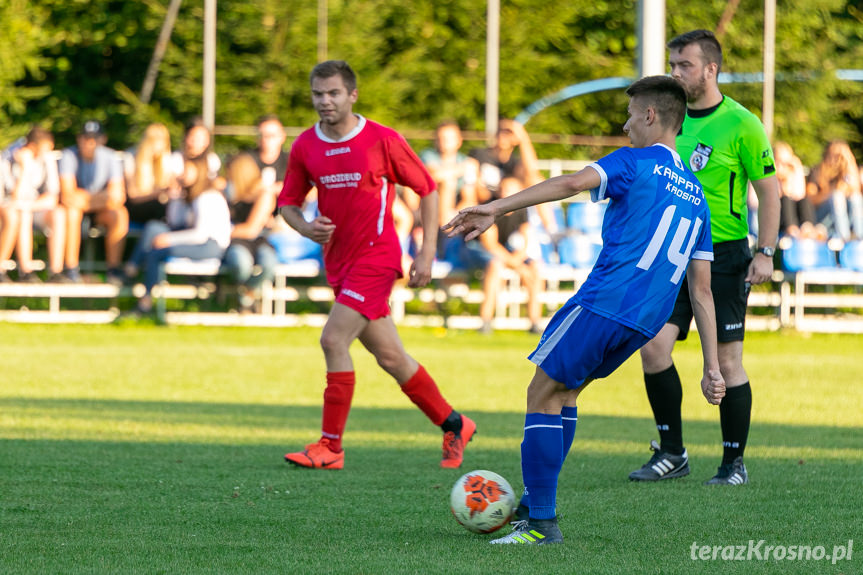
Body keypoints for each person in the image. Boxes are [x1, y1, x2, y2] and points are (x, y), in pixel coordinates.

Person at [443, 75, 724, 545]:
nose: (625, 124)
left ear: (651, 115)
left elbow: (572, 183)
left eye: (631, 115)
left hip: (605, 302)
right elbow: (703, 292)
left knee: (540, 393)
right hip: (645, 321)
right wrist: (711, 367)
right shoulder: (698, 197)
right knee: (565, 395)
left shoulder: (637, 162)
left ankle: (540, 524)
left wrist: (497, 207)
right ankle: (534, 508)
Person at [278, 60, 475, 470]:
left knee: (333, 340)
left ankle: (330, 447)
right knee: (392, 359)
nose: (325, 101)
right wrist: (305, 227)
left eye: (333, 93)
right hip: (340, 263)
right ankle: (455, 424)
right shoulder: (304, 146)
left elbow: (427, 189)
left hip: (377, 257)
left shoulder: (381, 139)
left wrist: (425, 254)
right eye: (318, 94)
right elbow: (287, 205)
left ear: (352, 94)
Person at [630, 29, 780, 487]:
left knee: (727, 362)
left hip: (726, 255)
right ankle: (672, 452)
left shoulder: (742, 123)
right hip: (673, 250)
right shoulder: (670, 122)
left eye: (685, 66)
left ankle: (733, 463)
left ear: (711, 69)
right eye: (673, 65)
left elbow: (769, 191)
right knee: (653, 347)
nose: (676, 72)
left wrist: (766, 252)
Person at [125, 154, 231, 314]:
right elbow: (174, 221)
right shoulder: (191, 197)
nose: (182, 175)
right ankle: (130, 270)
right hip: (199, 240)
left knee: (158, 253)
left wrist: (169, 239)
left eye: (187, 171)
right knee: (154, 228)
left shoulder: (207, 197)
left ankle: (145, 302)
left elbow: (200, 234)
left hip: (210, 246)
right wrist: (176, 196)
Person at [58, 120, 129, 283]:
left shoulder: (111, 157)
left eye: (94, 139)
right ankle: (71, 269)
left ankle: (113, 270)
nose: (89, 143)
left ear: (102, 139)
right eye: (85, 138)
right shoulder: (69, 155)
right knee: (71, 213)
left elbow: (118, 197)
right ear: (79, 139)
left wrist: (86, 198)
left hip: (99, 211)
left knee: (120, 214)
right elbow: (67, 197)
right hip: (77, 210)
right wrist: (103, 196)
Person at [476, 182, 543, 335]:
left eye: (511, 189)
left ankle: (535, 322)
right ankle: (485, 321)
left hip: (508, 252)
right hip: (479, 251)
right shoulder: (490, 208)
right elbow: (490, 244)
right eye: (504, 189)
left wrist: (519, 260)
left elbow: (526, 240)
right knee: (495, 265)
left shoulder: (522, 209)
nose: (506, 192)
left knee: (535, 269)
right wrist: (517, 265)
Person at [0, 127, 66, 282]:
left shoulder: (47, 157)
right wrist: (25, 168)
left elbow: (52, 197)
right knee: (22, 215)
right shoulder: (7, 158)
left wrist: (26, 205)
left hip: (31, 207)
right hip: (9, 208)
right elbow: (13, 197)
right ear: (32, 147)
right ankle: (25, 271)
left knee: (59, 214)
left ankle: (56, 272)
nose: (48, 154)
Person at [222, 152, 278, 312]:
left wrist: (223, 231)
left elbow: (251, 230)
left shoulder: (264, 194)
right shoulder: (229, 195)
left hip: (257, 239)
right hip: (237, 241)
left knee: (268, 264)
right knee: (241, 264)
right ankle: (246, 297)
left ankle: (247, 294)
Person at [419, 120, 479, 265]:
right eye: (441, 138)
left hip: (452, 210)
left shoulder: (464, 161)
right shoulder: (427, 155)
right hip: (426, 205)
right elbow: (435, 176)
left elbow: (469, 195)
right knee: (448, 182)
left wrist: (456, 213)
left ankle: (450, 224)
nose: (444, 142)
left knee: (456, 188)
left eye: (448, 138)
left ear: (459, 141)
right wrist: (462, 169)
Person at [805, 139, 863, 241]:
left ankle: (859, 237)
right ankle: (843, 238)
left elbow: (856, 191)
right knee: (837, 196)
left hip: (844, 218)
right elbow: (810, 199)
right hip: (821, 219)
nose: (837, 159)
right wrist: (832, 191)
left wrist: (849, 161)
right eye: (834, 155)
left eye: (840, 156)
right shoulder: (817, 171)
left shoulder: (846, 173)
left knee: (856, 198)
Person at [123, 123, 177, 227]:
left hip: (159, 205)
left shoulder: (167, 160)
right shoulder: (131, 158)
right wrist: (158, 193)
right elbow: (133, 196)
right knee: (160, 208)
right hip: (137, 206)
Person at [773, 141, 822, 239]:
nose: (782, 166)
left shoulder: (792, 174)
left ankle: (808, 229)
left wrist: (796, 170)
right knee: (786, 200)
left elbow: (800, 195)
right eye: (778, 162)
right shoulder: (767, 176)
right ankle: (791, 230)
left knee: (804, 201)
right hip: (776, 217)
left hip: (794, 216)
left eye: (786, 163)